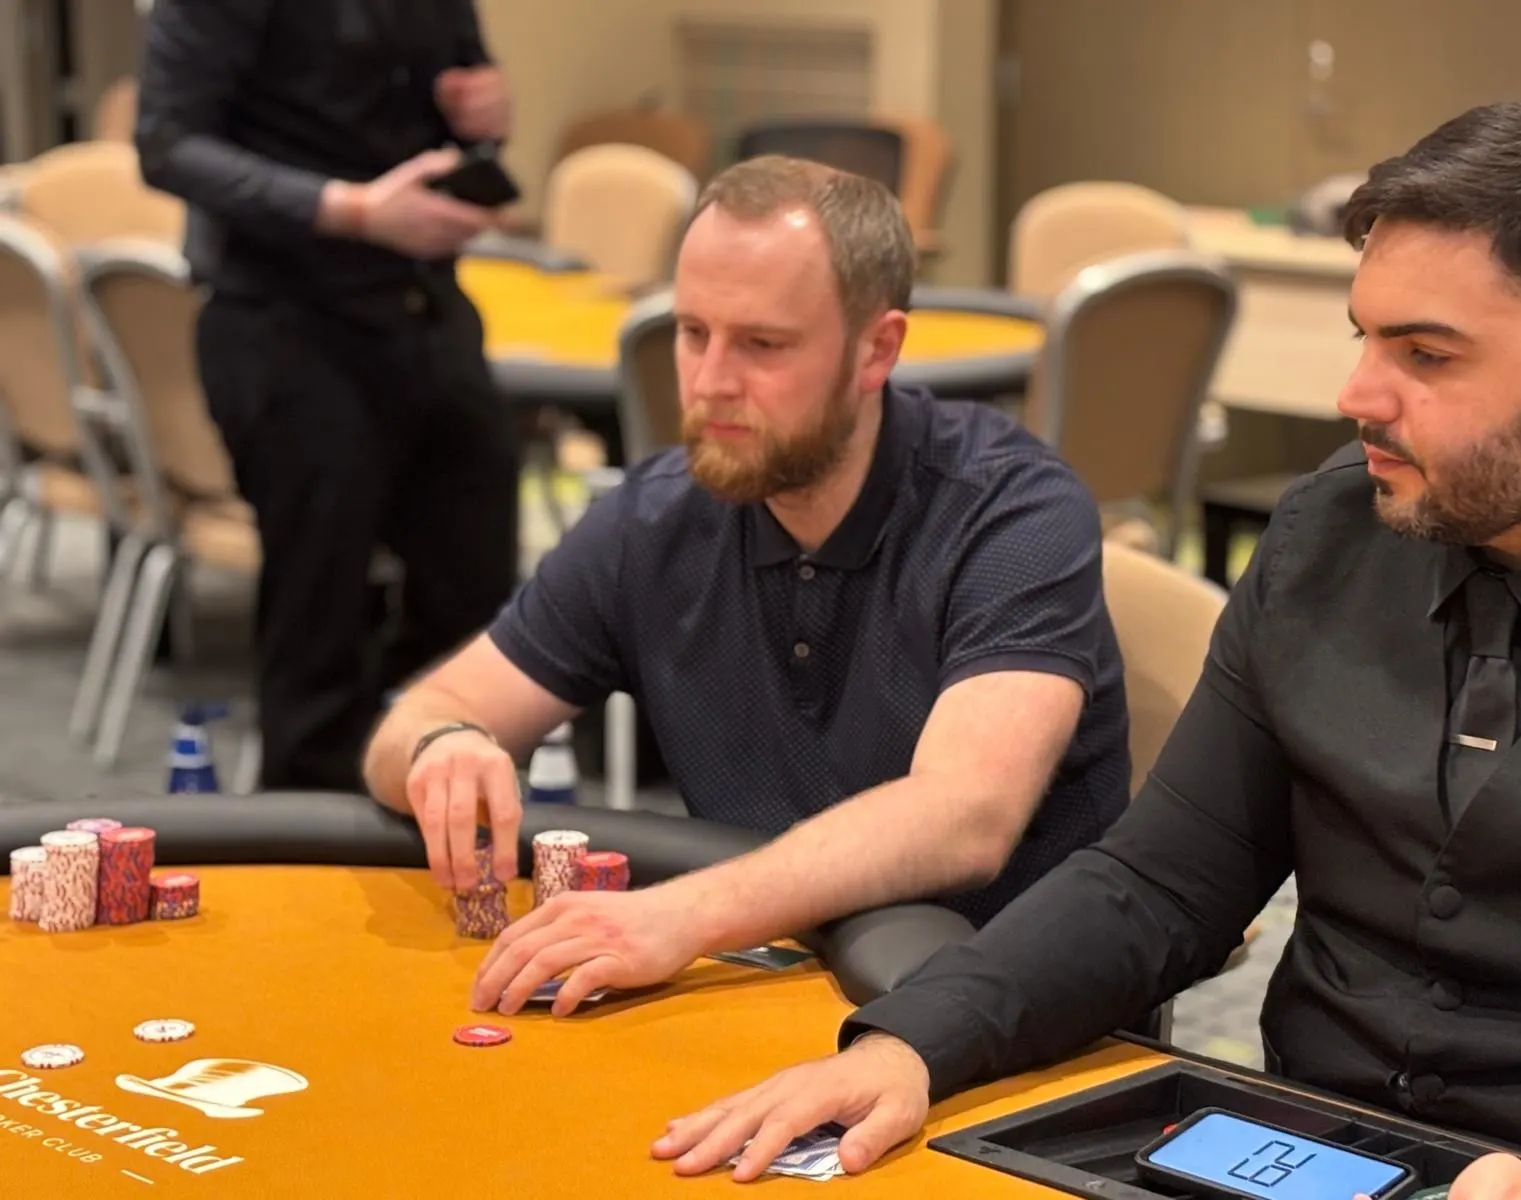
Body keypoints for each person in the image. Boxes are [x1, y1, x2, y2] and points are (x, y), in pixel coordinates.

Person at [652, 97, 1521, 1200]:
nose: (1357, 396)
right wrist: (912, 1044)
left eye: (1426, 354)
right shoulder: (1329, 534)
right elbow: (1161, 882)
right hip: (1304, 1145)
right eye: (1365, 339)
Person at [363, 155, 1133, 1016]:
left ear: (877, 349)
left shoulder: (1012, 510)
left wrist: (681, 912)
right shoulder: (652, 520)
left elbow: (966, 816)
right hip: (771, 985)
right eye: (693, 333)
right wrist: (442, 747)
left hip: (1019, 1024)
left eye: (763, 345)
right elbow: (420, 718)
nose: (711, 382)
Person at [135, 1, 521, 792]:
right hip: (285, 319)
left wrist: (484, 120)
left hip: (425, 308)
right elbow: (166, 145)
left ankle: (411, 792)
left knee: (477, 596)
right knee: (318, 628)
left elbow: (458, 105)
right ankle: (309, 834)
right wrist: (349, 209)